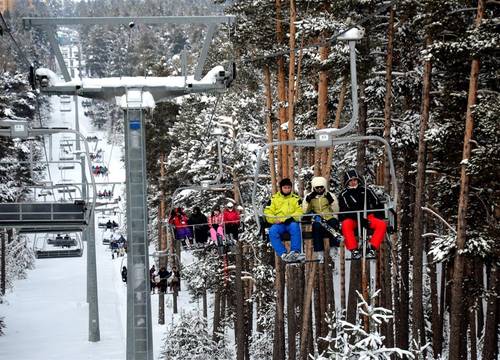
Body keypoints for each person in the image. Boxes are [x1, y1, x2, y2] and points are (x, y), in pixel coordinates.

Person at [338, 169, 387, 259]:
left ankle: (372, 248)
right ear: (347, 182)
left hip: (368, 217)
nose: (353, 182)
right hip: (352, 218)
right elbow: (345, 210)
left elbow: (376, 202)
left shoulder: (366, 190)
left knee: (381, 224)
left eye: (355, 180)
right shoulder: (344, 195)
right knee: (346, 225)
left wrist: (379, 215)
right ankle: (354, 250)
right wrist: (360, 219)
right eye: (351, 181)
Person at [264, 178, 304, 262]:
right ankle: (283, 253)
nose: (287, 190)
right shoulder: (274, 199)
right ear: (281, 188)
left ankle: (295, 251)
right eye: (285, 188)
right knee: (272, 231)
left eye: (289, 188)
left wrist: (292, 217)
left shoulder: (295, 198)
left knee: (295, 227)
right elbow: (268, 212)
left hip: (290, 222)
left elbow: (300, 211)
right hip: (279, 223)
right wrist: (274, 220)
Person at [302, 176, 342, 258]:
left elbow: (336, 210)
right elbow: (305, 211)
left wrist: (331, 201)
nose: (319, 189)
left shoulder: (330, 195)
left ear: (324, 187)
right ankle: (319, 251)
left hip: (329, 216)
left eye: (321, 187)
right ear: (314, 187)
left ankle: (334, 247)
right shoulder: (310, 196)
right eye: (317, 187)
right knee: (316, 227)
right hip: (317, 218)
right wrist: (308, 201)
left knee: (334, 223)